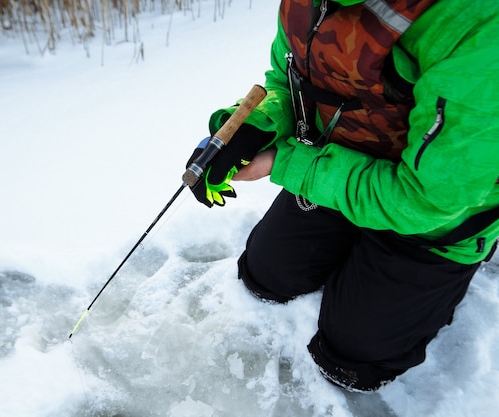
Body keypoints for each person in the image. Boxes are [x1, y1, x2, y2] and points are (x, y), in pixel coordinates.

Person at [185, 0, 499, 392]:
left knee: (353, 357)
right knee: (265, 276)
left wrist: (283, 163)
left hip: (437, 217)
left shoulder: (480, 22)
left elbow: (425, 200)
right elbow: (289, 79)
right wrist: (253, 127)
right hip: (342, 162)